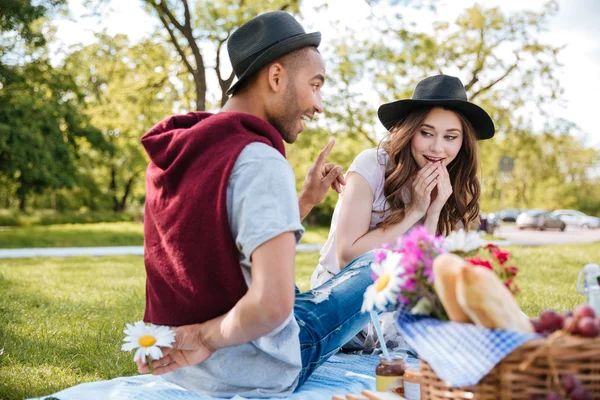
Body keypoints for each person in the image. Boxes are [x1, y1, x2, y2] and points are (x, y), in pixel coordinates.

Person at [136, 11, 375, 398]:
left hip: (181, 369)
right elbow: (270, 308)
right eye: (315, 86)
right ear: (276, 78)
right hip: (259, 366)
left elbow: (225, 252)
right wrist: (201, 337)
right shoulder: (260, 159)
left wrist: (306, 200)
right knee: (381, 262)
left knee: (299, 289)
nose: (319, 105)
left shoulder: (182, 152)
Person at [312, 74, 495, 304]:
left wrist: (434, 210)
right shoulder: (371, 165)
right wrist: (414, 212)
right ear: (410, 131)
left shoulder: (448, 181)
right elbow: (346, 257)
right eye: (426, 133)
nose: (437, 147)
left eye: (450, 137)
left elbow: (422, 271)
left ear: (462, 143)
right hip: (340, 298)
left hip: (398, 299)